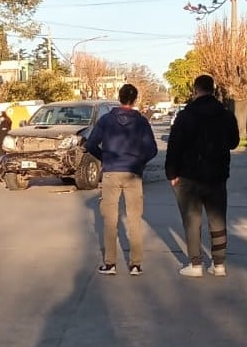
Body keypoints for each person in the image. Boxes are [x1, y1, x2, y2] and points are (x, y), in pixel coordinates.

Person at [165, 74, 239, 278]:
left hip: (189, 176)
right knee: (217, 219)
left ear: (195, 90)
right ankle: (219, 264)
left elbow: (174, 146)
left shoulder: (185, 116)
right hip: (217, 175)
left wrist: (171, 173)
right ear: (213, 90)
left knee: (192, 221)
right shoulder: (225, 115)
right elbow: (234, 142)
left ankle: (195, 264)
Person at [85, 84, 158, 276]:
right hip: (133, 173)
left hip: (111, 172)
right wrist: (138, 162)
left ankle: (110, 264)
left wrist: (105, 158)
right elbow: (152, 149)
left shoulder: (106, 120)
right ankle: (135, 264)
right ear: (135, 99)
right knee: (134, 219)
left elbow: (90, 144)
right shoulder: (141, 122)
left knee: (110, 220)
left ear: (119, 97)